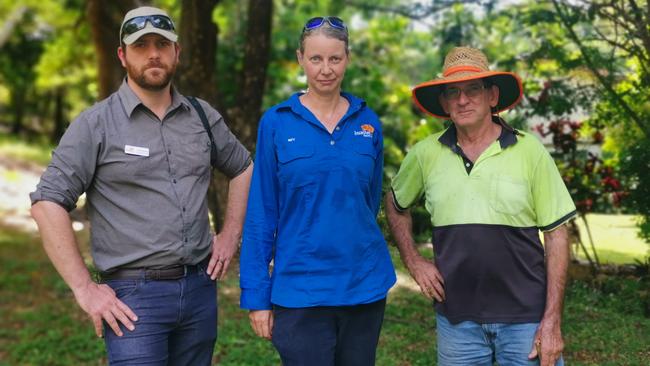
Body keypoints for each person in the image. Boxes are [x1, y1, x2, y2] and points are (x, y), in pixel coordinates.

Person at [29, 6, 252, 365]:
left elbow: (243, 167)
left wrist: (229, 236)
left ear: (177, 53)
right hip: (133, 298)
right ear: (122, 55)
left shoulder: (202, 117)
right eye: (140, 45)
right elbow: (47, 203)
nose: (153, 54)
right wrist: (85, 289)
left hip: (198, 291)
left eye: (162, 44)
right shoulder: (95, 125)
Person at [386, 46, 576, 366]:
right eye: (453, 92)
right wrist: (414, 261)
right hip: (456, 322)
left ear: (492, 96)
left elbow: (558, 234)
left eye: (473, 89)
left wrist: (552, 320)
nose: (463, 100)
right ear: (444, 103)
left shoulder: (530, 151)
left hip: (525, 320)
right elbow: (395, 205)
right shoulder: (424, 154)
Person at [239, 16, 396, 366]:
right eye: (316, 59)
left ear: (347, 59)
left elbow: (367, 202)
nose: (326, 69)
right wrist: (257, 297)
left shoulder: (368, 123)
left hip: (363, 287)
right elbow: (262, 212)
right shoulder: (277, 122)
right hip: (300, 291)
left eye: (335, 59)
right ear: (300, 59)